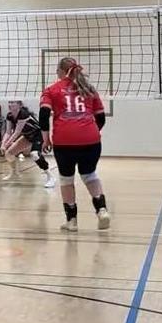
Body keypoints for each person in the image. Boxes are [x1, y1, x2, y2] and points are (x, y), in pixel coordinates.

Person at [40, 57, 110, 232]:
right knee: (90, 175)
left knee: (66, 179)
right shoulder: (89, 88)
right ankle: (102, 210)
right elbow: (101, 118)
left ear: (61, 71)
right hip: (91, 140)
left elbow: (43, 115)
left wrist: (46, 139)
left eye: (57, 70)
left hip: (64, 140)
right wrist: (89, 132)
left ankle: (72, 221)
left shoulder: (51, 90)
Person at [0, 101, 55, 188]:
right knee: (9, 153)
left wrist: (5, 145)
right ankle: (14, 173)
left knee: (34, 154)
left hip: (38, 135)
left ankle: (50, 177)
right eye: (9, 102)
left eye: (13, 102)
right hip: (27, 136)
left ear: (20, 105)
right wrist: (3, 145)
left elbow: (17, 133)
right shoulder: (9, 115)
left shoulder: (23, 114)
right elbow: (8, 132)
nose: (10, 104)